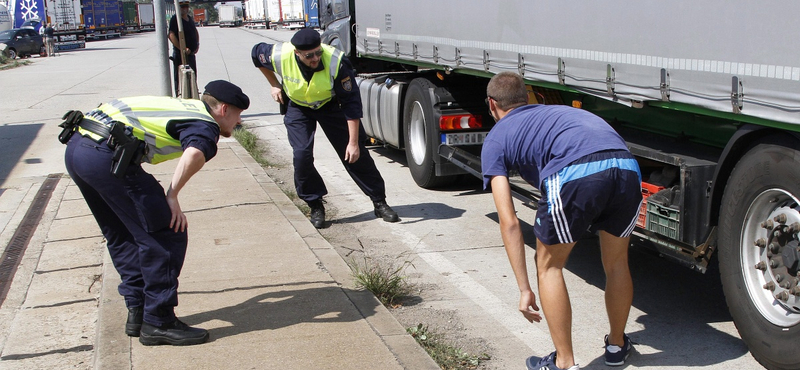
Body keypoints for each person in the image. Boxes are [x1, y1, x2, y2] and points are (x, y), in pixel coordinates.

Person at [60, 80, 249, 346]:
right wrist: (172, 195)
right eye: (238, 115)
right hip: (106, 156)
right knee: (167, 234)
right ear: (224, 109)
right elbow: (195, 153)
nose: (238, 122)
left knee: (124, 234)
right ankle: (158, 322)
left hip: (78, 148)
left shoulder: (184, 106)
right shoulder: (205, 124)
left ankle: (138, 310)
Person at [481, 72, 641, 370]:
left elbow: (510, 221)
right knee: (617, 263)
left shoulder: (496, 137)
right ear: (527, 97)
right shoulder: (561, 112)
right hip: (626, 166)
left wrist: (524, 289)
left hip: (576, 170)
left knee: (550, 266)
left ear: (492, 104)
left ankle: (564, 363)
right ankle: (617, 347)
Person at [250, 28, 399, 228]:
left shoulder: (336, 61)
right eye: (309, 55)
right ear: (297, 53)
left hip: (330, 105)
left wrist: (353, 143)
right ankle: (315, 204)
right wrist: (274, 84)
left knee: (355, 155)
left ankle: (379, 201)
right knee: (301, 154)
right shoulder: (279, 54)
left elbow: (352, 105)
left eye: (318, 52)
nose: (315, 58)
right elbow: (255, 54)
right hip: (298, 107)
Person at [169, 0, 199, 97]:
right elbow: (171, 35)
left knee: (193, 75)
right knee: (180, 77)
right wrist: (182, 48)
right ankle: (180, 94)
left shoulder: (189, 19)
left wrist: (197, 44)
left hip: (191, 54)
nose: (184, 9)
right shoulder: (175, 19)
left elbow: (195, 31)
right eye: (182, 7)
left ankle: (193, 93)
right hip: (180, 55)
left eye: (186, 6)